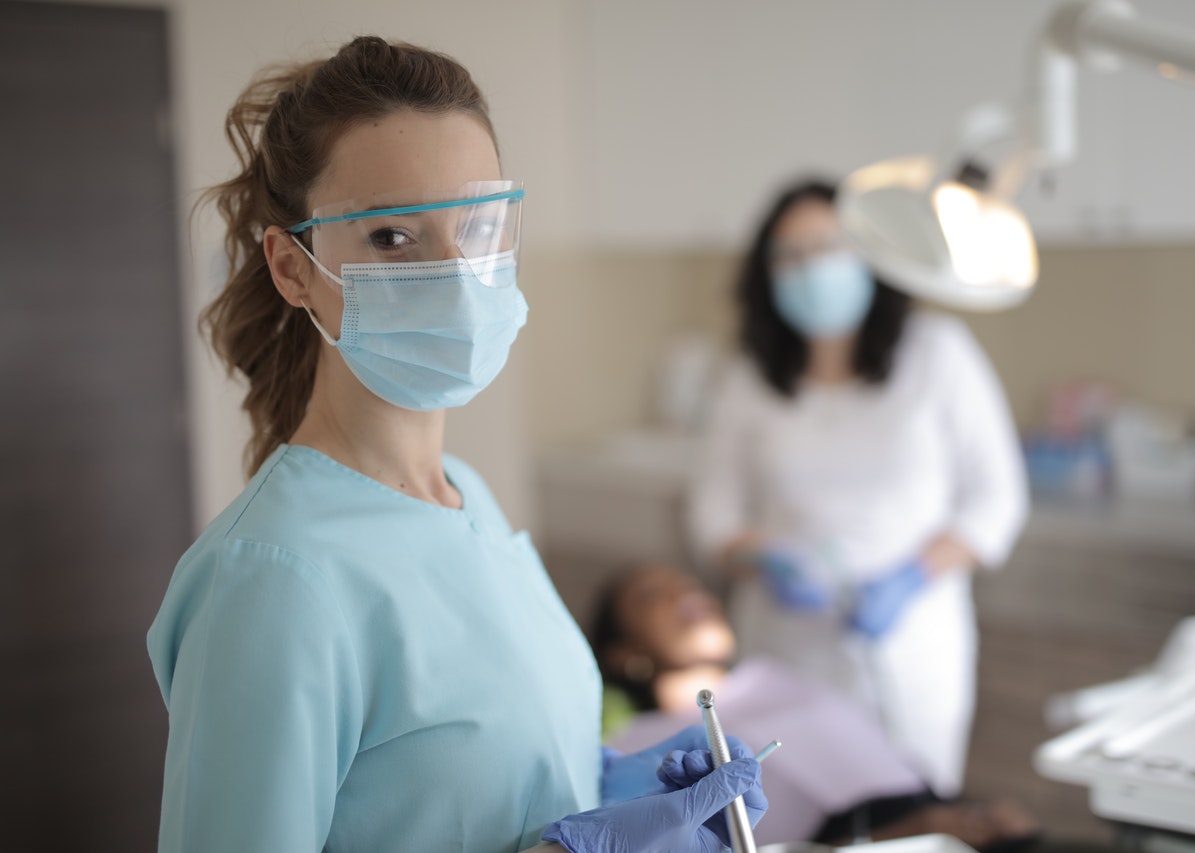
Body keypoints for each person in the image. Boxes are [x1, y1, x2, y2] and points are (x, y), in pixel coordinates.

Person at [146, 37, 765, 853]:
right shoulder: (271, 578)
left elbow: (463, 779)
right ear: (292, 270)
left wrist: (612, 780)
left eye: (477, 226)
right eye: (392, 239)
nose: (455, 273)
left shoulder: (467, 495)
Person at [688, 178, 1028, 797]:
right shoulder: (749, 377)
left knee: (910, 813)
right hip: (784, 649)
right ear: (765, 273)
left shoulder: (938, 355)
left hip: (911, 650)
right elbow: (712, 511)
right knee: (789, 812)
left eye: (827, 246)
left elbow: (997, 498)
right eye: (789, 254)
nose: (809, 267)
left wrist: (913, 576)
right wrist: (758, 556)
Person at [594, 561, 1042, 849]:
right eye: (652, 595)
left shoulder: (773, 676)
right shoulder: (639, 744)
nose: (684, 594)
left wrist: (971, 811)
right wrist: (907, 835)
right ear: (622, 654)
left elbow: (885, 766)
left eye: (687, 582)